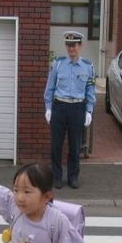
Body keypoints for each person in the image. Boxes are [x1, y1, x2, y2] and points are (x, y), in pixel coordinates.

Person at [43, 31, 96, 189]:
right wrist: (49, 108)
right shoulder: (58, 64)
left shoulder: (88, 67)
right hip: (60, 107)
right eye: (68, 45)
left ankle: (73, 177)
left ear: (80, 46)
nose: (71, 48)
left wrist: (88, 110)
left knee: (74, 146)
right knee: (56, 146)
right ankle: (57, 177)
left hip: (77, 108)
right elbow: (50, 88)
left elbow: (90, 90)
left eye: (74, 45)